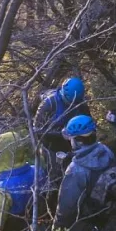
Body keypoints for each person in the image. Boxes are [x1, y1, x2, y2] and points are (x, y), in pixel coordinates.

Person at [54, 115, 116, 231]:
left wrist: (57, 227)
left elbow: (66, 207)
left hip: (84, 223)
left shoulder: (76, 170)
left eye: (71, 138)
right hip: (106, 211)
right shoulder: (105, 150)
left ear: (78, 141)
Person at [33, 76, 89, 215]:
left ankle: (74, 204)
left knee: (72, 175)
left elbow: (88, 122)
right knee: (53, 179)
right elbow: (37, 130)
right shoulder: (49, 103)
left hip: (72, 146)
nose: (71, 105)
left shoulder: (80, 102)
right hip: (50, 147)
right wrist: (60, 134)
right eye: (68, 102)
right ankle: (51, 210)